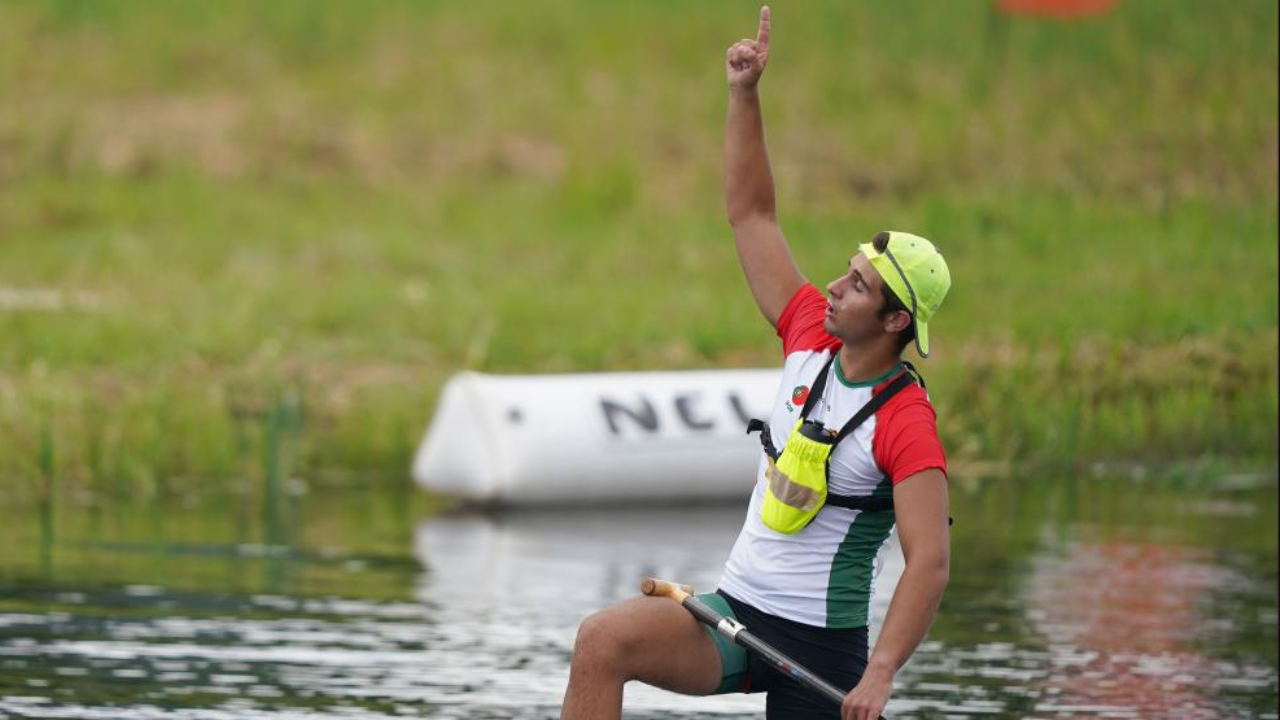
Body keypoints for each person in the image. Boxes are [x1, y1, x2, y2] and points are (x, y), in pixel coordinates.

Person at [559, 7, 952, 720]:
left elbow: (929, 562)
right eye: (846, 271)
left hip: (821, 656)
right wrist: (744, 94)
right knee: (601, 642)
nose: (834, 287)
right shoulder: (809, 333)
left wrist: (883, 673)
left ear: (897, 321)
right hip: (734, 618)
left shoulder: (906, 422)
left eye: (857, 286)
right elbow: (753, 217)